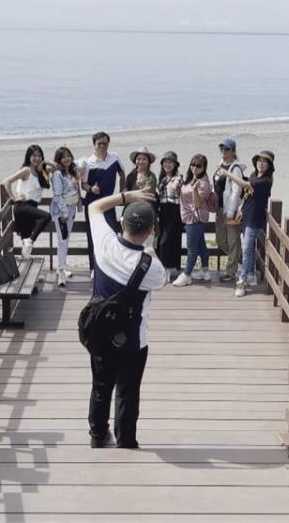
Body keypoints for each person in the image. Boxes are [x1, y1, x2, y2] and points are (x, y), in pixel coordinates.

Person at [86, 187, 167, 449]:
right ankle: (126, 440)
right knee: (128, 392)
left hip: (99, 333)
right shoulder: (151, 267)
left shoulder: (104, 244)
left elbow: (94, 207)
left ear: (122, 223)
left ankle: (98, 436)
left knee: (100, 386)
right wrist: (149, 247)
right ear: (152, 230)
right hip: (133, 340)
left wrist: (127, 196)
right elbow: (160, 279)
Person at [218, 150, 275, 297]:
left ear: (269, 165)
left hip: (255, 219)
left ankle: (242, 281)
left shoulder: (266, 181)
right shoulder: (255, 175)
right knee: (249, 247)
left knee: (247, 248)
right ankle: (250, 275)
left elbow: (245, 185)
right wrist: (240, 208)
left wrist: (228, 173)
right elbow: (247, 195)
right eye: (259, 161)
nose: (261, 163)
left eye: (264, 161)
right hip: (246, 216)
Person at [79, 131, 128, 276]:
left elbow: (122, 173)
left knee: (113, 234)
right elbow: (83, 184)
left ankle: (112, 266)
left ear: (108, 144)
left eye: (105, 143)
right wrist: (90, 188)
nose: (102, 146)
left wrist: (122, 190)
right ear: (93, 145)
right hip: (92, 204)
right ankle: (94, 268)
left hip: (109, 202)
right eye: (99, 144)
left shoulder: (115, 157)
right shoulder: (88, 163)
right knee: (92, 235)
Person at [1, 144, 53, 259]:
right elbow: (6, 182)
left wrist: (45, 162)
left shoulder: (43, 172)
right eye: (34, 156)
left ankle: (26, 256)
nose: (37, 158)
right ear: (29, 157)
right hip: (23, 206)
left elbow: (58, 167)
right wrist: (13, 198)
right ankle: (30, 240)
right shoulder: (26, 170)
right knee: (47, 216)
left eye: (39, 156)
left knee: (26, 244)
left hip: (32, 208)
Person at [172, 154, 215, 287]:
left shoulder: (203, 183)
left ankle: (186, 275)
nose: (195, 168)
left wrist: (195, 189)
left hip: (195, 218)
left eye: (198, 165)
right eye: (193, 164)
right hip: (189, 217)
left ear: (204, 167)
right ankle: (205, 272)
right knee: (201, 245)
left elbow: (197, 203)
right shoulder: (190, 178)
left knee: (192, 248)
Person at [212, 138, 245, 282]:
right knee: (220, 240)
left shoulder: (235, 168)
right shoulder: (220, 165)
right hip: (219, 208)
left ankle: (230, 272)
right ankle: (243, 259)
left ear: (233, 151)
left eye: (227, 149)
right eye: (222, 149)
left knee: (233, 240)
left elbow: (236, 190)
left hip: (229, 209)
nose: (223, 152)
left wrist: (231, 212)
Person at [48, 146, 82, 286]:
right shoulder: (57, 174)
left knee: (66, 239)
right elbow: (57, 196)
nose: (66, 159)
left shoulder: (73, 172)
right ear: (58, 160)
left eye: (68, 156)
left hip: (72, 209)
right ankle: (61, 271)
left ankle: (62, 266)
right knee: (62, 240)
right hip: (63, 212)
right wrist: (64, 213)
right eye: (63, 157)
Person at [154, 151, 183, 279]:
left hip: (175, 210)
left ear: (175, 165)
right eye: (165, 162)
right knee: (161, 239)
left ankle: (169, 268)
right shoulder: (162, 178)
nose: (167, 164)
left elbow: (183, 195)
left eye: (170, 162)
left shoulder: (179, 178)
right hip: (163, 211)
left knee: (168, 240)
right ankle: (168, 268)